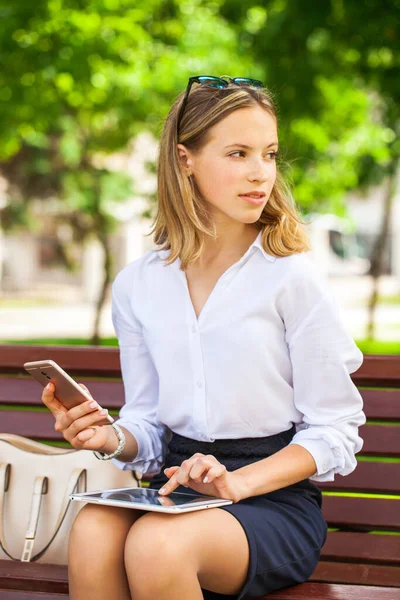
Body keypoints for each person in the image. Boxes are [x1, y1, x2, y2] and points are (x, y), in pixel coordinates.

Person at [42, 75, 366, 600]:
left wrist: (236, 483)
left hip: (272, 500)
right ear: (184, 158)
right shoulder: (139, 285)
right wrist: (109, 438)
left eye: (269, 154)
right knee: (93, 529)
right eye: (237, 153)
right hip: (178, 486)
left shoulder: (291, 277)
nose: (260, 173)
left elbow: (336, 430)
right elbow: (147, 428)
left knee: (157, 545)